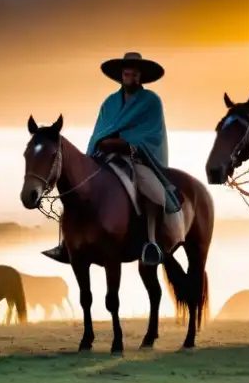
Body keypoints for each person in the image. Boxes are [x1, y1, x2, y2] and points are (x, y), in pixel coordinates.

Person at [41, 51, 185, 267]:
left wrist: (125, 143)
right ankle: (66, 244)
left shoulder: (151, 101)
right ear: (121, 75)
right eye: (127, 73)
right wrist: (100, 146)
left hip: (137, 158)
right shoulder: (109, 103)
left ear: (140, 76)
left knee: (153, 191)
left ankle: (151, 243)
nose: (131, 77)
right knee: (77, 190)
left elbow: (152, 133)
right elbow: (100, 130)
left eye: (135, 74)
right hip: (104, 157)